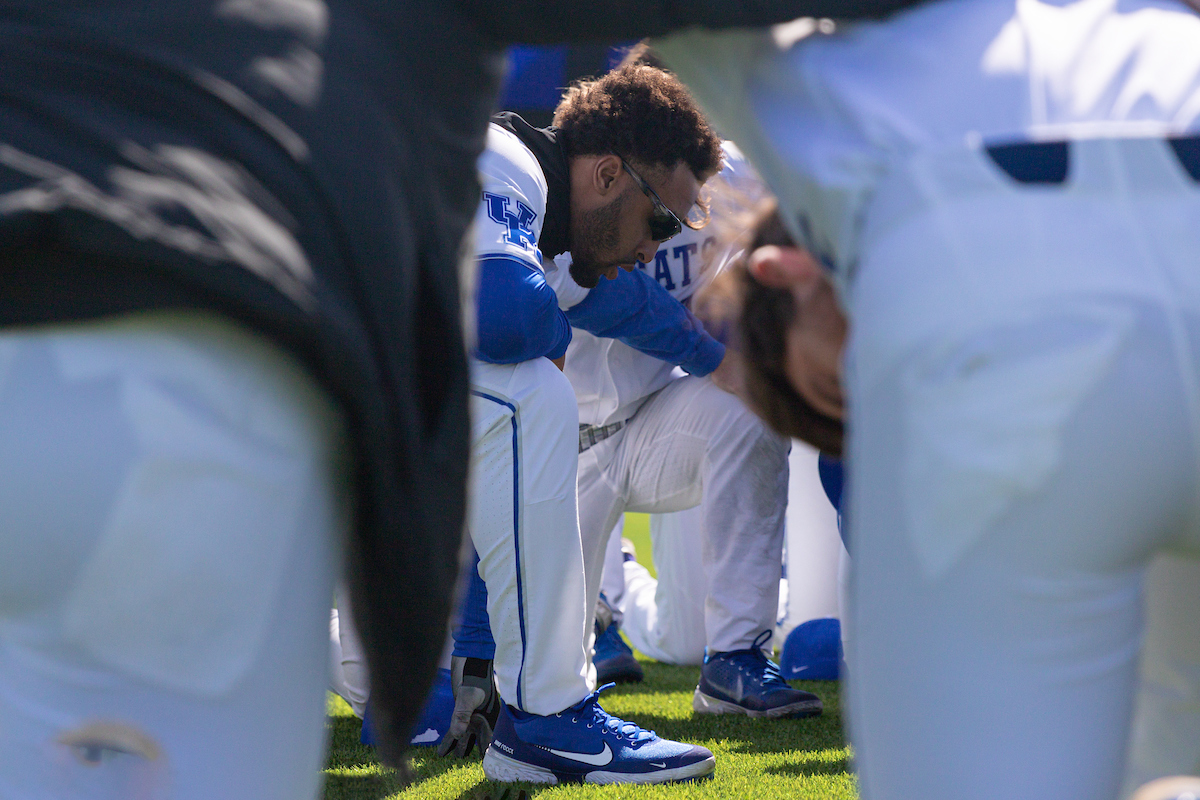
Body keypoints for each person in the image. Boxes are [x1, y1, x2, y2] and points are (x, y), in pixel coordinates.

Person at [0, 1, 926, 796]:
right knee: (532, 393)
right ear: (605, 173)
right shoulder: (506, 160)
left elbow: (630, 307)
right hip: (199, 408)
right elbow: (512, 312)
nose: (656, 247)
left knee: (367, 695)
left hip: (143, 414)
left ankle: (457, 669)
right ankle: (551, 717)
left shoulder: (568, 224)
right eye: (657, 220)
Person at [655, 4, 1200, 798]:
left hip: (999, 362)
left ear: (786, 272)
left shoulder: (809, 94)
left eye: (837, 386)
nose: (860, 401)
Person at [571, 136, 822, 719]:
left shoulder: (729, 171)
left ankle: (736, 657)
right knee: (527, 674)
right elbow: (617, 301)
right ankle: (608, 602)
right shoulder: (565, 187)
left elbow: (799, 230)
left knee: (750, 407)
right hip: (549, 450)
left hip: (650, 424)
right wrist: (713, 356)